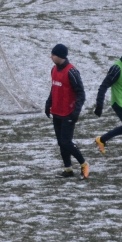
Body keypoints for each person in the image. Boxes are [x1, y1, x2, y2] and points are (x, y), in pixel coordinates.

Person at [45, 44, 88, 179]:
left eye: (53, 54)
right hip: (57, 111)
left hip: (68, 113)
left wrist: (76, 111)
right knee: (61, 142)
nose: (51, 57)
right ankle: (68, 169)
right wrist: (48, 103)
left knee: (66, 142)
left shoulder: (71, 72)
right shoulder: (53, 70)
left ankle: (84, 164)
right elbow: (54, 88)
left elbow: (81, 93)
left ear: (59, 56)